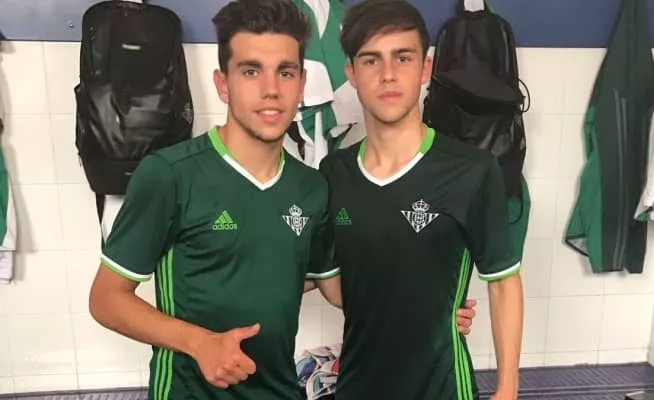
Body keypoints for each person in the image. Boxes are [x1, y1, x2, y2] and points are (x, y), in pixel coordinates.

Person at [88, 0, 475, 399]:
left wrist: (433, 308)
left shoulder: (311, 187)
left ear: (302, 84)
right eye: (251, 71)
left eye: (285, 72)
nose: (271, 90)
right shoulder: (170, 174)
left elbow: (332, 287)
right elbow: (106, 299)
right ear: (223, 84)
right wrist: (198, 342)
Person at [310, 1, 524, 399]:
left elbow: (503, 282)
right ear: (351, 73)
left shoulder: (472, 170)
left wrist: (507, 389)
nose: (388, 74)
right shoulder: (334, 172)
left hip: (442, 388)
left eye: (403, 58)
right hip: (359, 385)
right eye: (371, 60)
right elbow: (334, 282)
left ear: (425, 68)